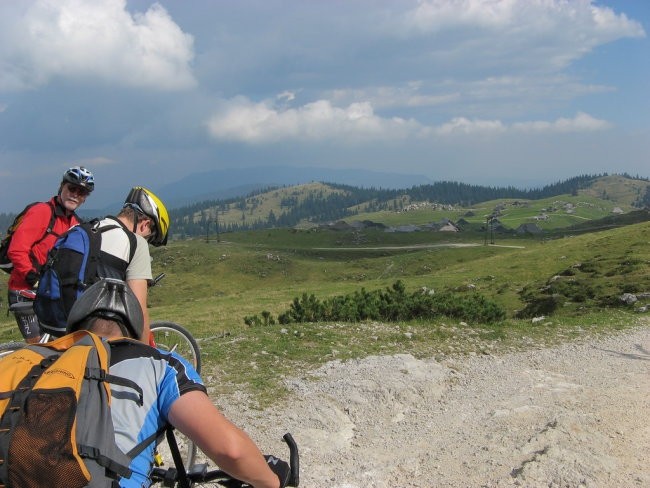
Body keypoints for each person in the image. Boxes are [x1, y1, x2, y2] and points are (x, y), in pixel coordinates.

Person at [65, 278, 291, 488]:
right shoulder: (161, 366)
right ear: (134, 330)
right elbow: (231, 451)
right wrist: (272, 480)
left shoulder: (36, 359)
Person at [7, 166, 94, 343]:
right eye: (72, 188)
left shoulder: (76, 223)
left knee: (62, 344)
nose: (75, 194)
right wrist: (33, 277)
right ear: (61, 186)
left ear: (85, 198)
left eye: (82, 192)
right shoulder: (42, 212)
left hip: (51, 293)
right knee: (38, 349)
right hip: (25, 289)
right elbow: (16, 249)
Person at [95, 186, 169, 344]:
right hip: (99, 343)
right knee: (181, 368)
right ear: (145, 224)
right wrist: (144, 353)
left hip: (58, 334)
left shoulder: (86, 229)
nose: (146, 241)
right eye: (149, 237)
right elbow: (138, 311)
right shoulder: (136, 243)